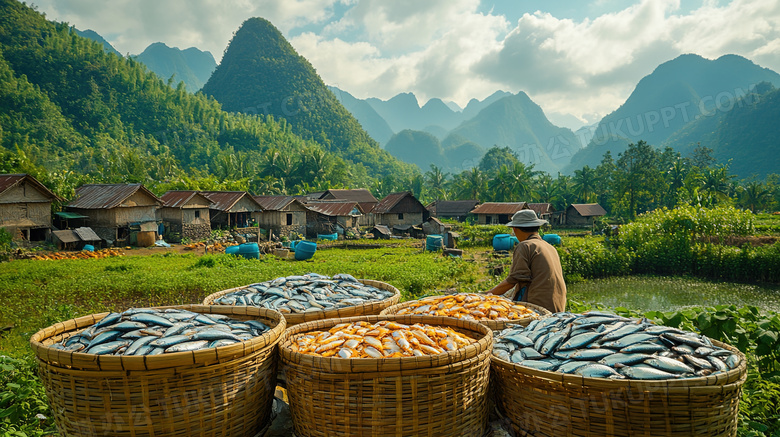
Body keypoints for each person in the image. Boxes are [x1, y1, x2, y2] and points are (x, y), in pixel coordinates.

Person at [485, 209, 567, 313]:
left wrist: (488, 295)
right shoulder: (549, 247)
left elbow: (513, 280)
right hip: (558, 306)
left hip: (538, 308)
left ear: (515, 229)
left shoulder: (525, 246)